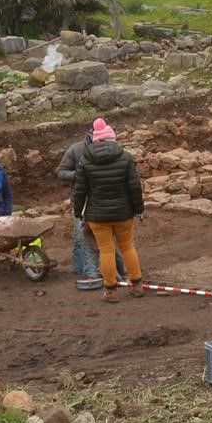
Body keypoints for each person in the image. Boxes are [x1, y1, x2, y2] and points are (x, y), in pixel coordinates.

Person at [71, 118, 145, 303]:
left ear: (95, 139)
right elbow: (134, 187)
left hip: (97, 215)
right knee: (128, 247)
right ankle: (137, 285)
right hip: (123, 213)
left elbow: (79, 190)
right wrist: (139, 209)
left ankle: (110, 291)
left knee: (106, 251)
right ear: (112, 138)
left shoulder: (85, 160)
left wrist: (78, 213)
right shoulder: (125, 157)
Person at [58, 120, 126, 292]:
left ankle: (116, 270)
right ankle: (86, 270)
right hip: (82, 200)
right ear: (89, 134)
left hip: (99, 200)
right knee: (82, 236)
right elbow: (60, 171)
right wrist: (79, 175)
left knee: (103, 239)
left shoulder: (111, 149)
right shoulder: (75, 149)